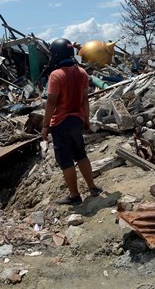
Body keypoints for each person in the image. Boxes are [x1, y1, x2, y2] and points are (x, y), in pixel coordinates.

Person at [41, 38, 102, 205]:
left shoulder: (56, 75)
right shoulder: (82, 73)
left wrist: (45, 126)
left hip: (61, 123)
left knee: (66, 161)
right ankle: (92, 187)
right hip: (77, 120)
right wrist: (86, 119)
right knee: (81, 154)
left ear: (55, 54)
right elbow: (85, 100)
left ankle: (74, 196)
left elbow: (51, 102)